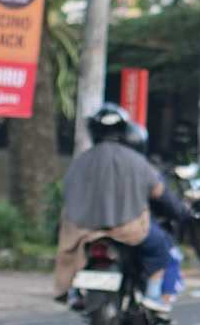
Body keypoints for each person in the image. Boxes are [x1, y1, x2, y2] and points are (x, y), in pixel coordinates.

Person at [53, 104, 183, 312]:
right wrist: (181, 212)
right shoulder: (138, 162)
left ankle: (73, 291)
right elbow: (161, 194)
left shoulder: (79, 163)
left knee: (70, 254)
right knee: (161, 247)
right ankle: (154, 297)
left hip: (83, 230)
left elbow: (66, 196)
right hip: (128, 230)